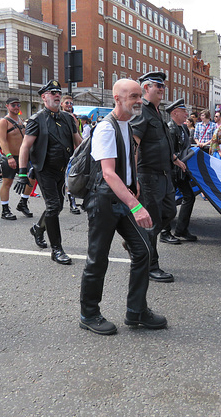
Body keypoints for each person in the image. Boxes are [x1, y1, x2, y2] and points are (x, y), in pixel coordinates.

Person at [79, 78, 167, 335]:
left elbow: (130, 159)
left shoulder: (127, 124)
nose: (139, 101)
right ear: (117, 98)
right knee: (98, 260)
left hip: (123, 196)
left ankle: (136, 311)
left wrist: (135, 182)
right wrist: (136, 205)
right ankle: (89, 314)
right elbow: (108, 173)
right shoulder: (106, 128)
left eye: (140, 96)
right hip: (105, 201)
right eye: (133, 97)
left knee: (143, 251)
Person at [16, 80, 82, 265]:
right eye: (52, 92)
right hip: (44, 170)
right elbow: (25, 146)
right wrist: (22, 173)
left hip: (62, 170)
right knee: (54, 207)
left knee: (58, 207)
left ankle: (38, 228)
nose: (57, 95)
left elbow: (79, 142)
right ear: (44, 97)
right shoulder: (37, 119)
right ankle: (57, 249)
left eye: (58, 92)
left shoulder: (69, 119)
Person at [131, 71, 186, 282]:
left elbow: (159, 141)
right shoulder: (140, 110)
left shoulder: (157, 111)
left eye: (163, 86)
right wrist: (133, 177)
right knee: (151, 223)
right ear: (146, 88)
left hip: (164, 175)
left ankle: (136, 240)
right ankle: (150, 265)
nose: (162, 89)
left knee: (170, 212)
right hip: (148, 175)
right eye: (157, 86)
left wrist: (174, 158)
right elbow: (134, 145)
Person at [162, 98, 197, 242]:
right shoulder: (170, 128)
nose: (186, 114)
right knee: (169, 202)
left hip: (181, 171)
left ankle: (181, 230)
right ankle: (164, 233)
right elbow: (167, 151)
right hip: (171, 171)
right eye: (184, 111)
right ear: (175, 113)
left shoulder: (183, 128)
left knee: (189, 196)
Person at [0, 97, 35, 220]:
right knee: (7, 182)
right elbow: (2, 141)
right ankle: (5, 209)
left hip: (23, 157)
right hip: (10, 157)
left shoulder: (20, 120)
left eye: (18, 105)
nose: (17, 107)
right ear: (7, 106)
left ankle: (23, 202)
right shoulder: (4, 122)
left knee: (32, 178)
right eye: (13, 105)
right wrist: (9, 157)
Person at [61, 95, 82, 214]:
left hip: (72, 152)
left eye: (71, 103)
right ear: (62, 104)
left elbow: (78, 133)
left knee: (70, 177)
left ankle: (72, 202)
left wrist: (81, 146)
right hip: (61, 151)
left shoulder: (74, 118)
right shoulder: (58, 116)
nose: (69, 105)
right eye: (67, 103)